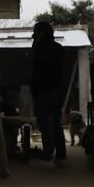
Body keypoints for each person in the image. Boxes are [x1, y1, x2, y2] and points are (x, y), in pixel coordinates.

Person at [30, 21, 67, 165]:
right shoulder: (58, 48)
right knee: (56, 123)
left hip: (45, 91)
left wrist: (35, 47)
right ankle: (61, 155)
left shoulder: (40, 49)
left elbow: (37, 71)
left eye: (36, 32)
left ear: (42, 33)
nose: (33, 35)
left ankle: (48, 154)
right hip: (57, 91)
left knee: (46, 124)